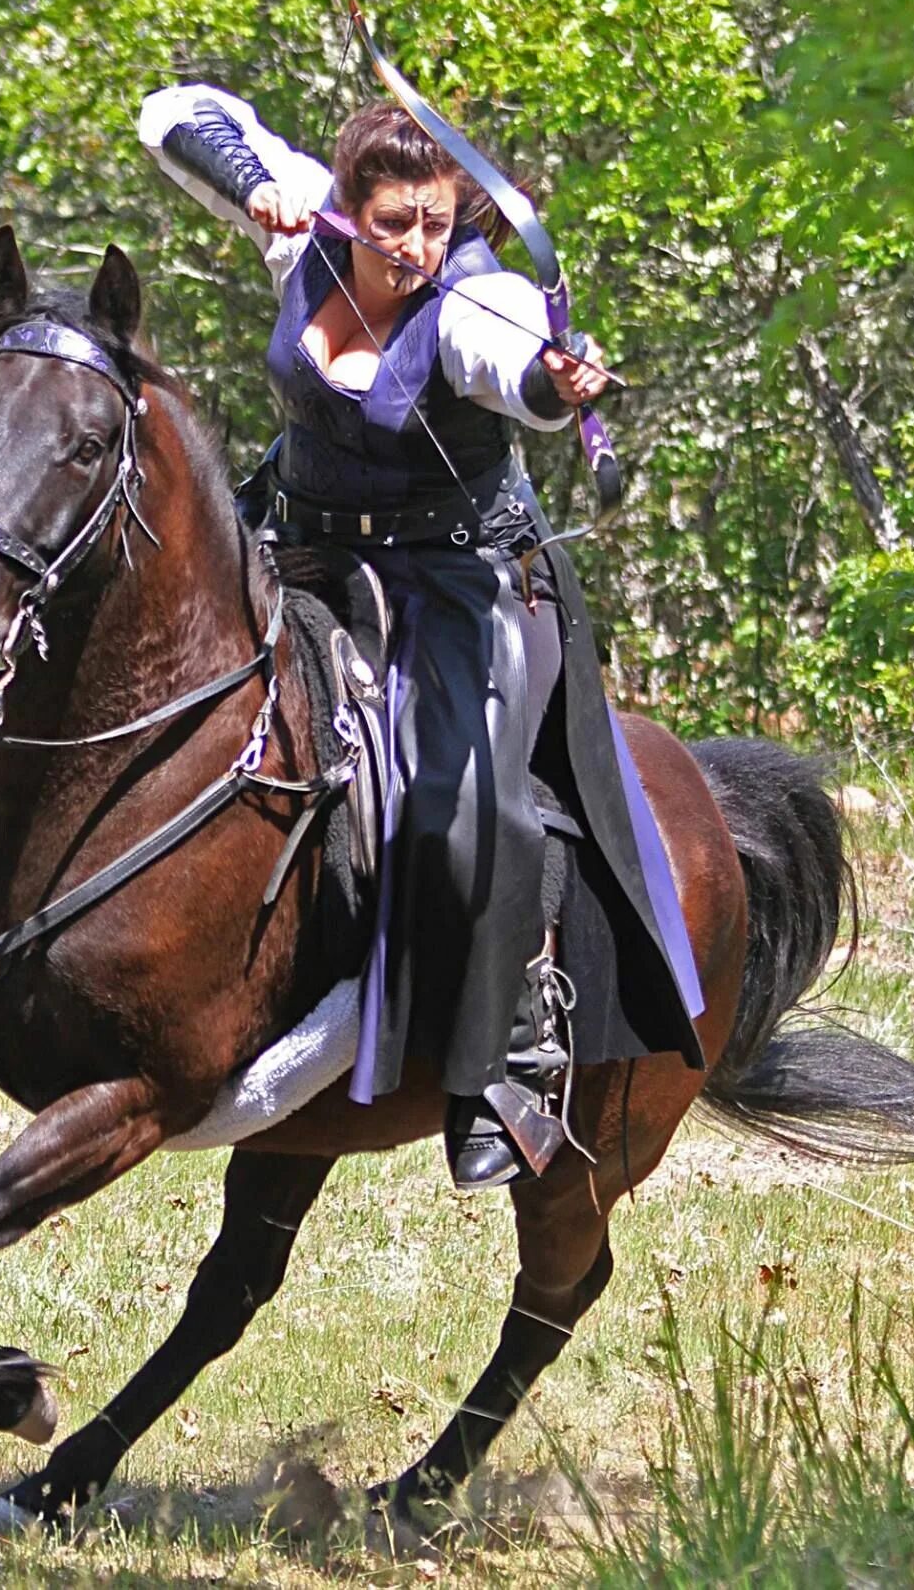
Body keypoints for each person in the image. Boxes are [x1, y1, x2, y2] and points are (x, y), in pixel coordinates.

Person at [138, 84, 704, 1190]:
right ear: (348, 205)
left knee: (468, 807)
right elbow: (172, 115)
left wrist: (555, 379)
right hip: (300, 552)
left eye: (435, 226)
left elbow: (519, 371)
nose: (412, 247)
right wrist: (259, 193)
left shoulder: (471, 301)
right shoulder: (305, 229)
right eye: (392, 222)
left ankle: (513, 1045)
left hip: (458, 583)